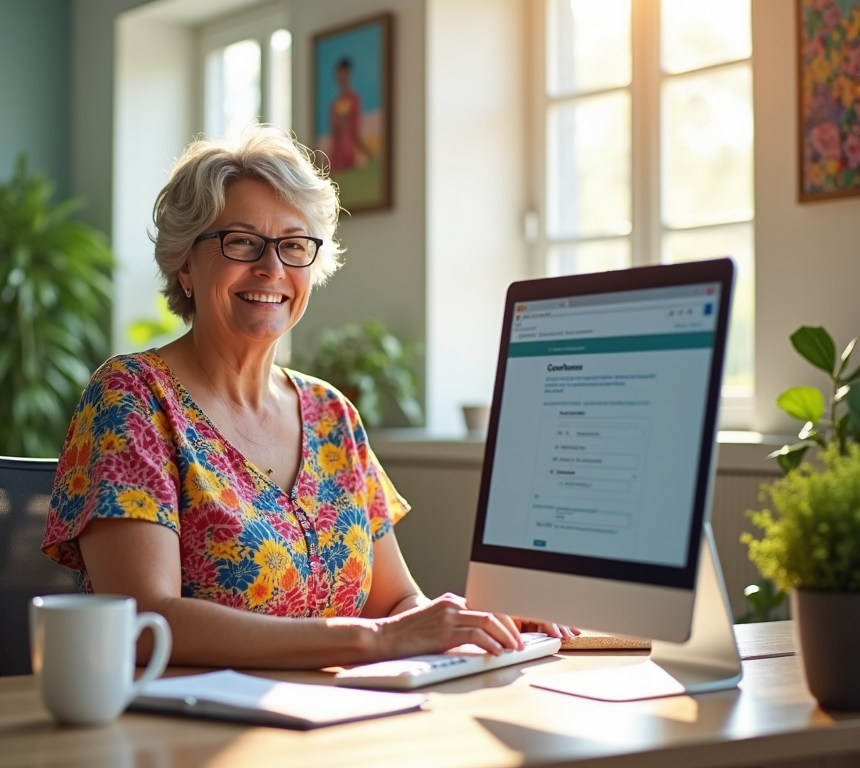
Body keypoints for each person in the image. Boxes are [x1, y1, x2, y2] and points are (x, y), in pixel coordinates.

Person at [42, 124, 575, 668]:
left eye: (294, 245)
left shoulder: (332, 413)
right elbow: (144, 621)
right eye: (242, 241)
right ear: (185, 264)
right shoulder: (131, 397)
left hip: (338, 719)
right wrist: (375, 639)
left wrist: (471, 624)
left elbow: (394, 602)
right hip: (185, 730)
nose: (272, 268)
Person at [328, 58, 368, 173]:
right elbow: (333, 126)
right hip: (338, 149)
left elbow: (356, 124)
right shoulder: (335, 103)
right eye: (339, 73)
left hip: (350, 146)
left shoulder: (354, 98)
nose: (341, 76)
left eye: (344, 72)